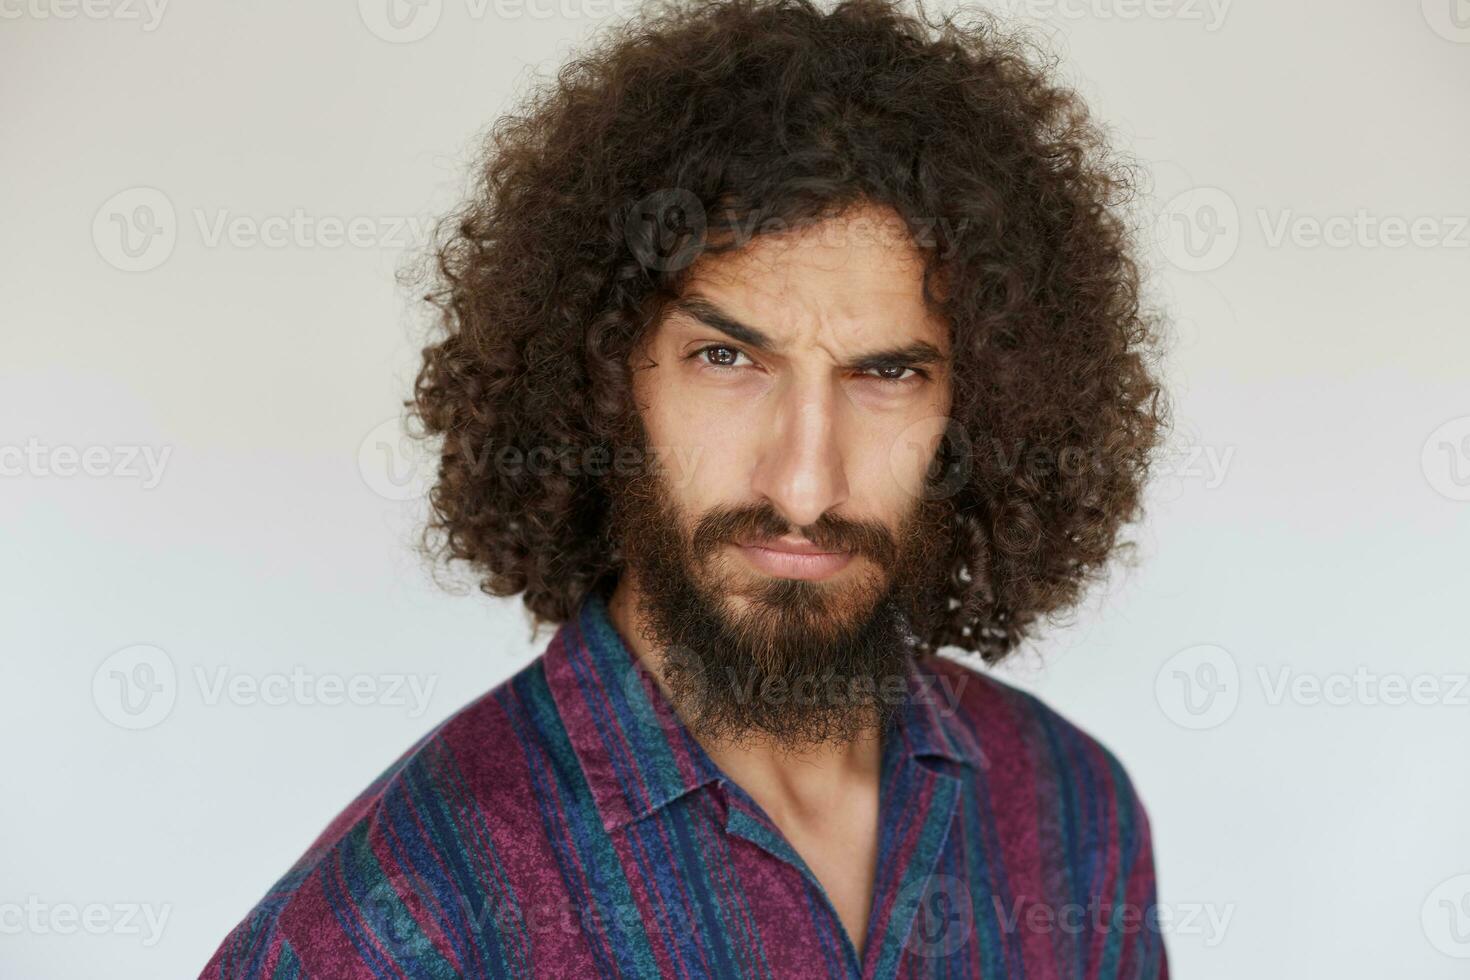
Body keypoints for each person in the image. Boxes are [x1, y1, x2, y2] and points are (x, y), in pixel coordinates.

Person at [202, 0, 1171, 975]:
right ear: (602, 378)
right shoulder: (405, 917)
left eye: (886, 374)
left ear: (985, 405)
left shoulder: (1067, 810)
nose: (803, 481)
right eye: (726, 356)